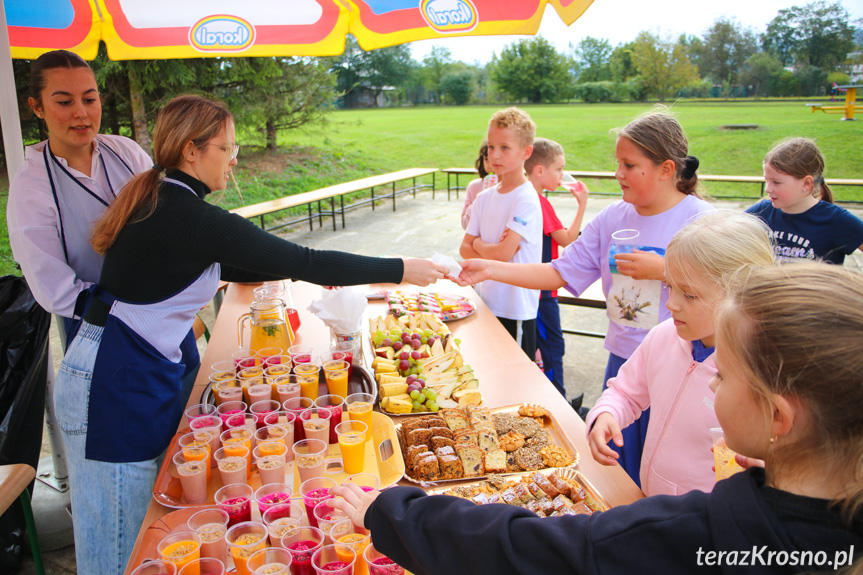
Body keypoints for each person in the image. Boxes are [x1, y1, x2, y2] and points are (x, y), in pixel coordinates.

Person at [53, 94, 447, 575]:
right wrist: (405, 268)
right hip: (110, 382)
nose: (235, 158)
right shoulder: (189, 215)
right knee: (118, 548)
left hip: (124, 372)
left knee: (138, 532)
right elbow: (303, 261)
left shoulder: (166, 198)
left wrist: (313, 274)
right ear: (192, 151)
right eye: (228, 147)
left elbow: (251, 263)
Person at [331, 262, 863, 575]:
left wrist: (396, 514)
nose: (713, 383)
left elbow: (539, 549)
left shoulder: (695, 535)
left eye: (722, 375)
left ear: (778, 417)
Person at [458, 107, 714, 486]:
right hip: (624, 363)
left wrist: (665, 270)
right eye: (618, 164)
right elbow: (558, 271)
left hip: (688, 366)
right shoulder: (613, 217)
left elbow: (735, 292)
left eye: (630, 165)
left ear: (666, 169)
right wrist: (493, 268)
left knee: (670, 471)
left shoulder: (703, 222)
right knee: (622, 470)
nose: (619, 174)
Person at [587, 211, 774, 496]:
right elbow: (625, 392)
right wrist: (606, 413)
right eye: (669, 286)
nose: (671, 303)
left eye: (689, 295)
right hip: (652, 500)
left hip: (706, 521)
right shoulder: (663, 336)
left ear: (741, 294)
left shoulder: (759, 374)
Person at [6, 50, 152, 342]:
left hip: (161, 306)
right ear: (37, 107)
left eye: (89, 99)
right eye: (64, 102)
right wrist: (125, 316)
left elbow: (167, 219)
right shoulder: (32, 187)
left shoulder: (126, 152)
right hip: (98, 328)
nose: (81, 113)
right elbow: (53, 286)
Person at [460, 107, 542, 358]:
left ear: (526, 152)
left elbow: (504, 255)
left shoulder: (526, 198)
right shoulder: (484, 198)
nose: (495, 155)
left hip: (514, 307)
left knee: (514, 379)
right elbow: (464, 248)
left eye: (505, 147)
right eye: (491, 147)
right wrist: (489, 247)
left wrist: (480, 244)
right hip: (486, 302)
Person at [524, 137, 589, 397]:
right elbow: (566, 239)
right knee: (552, 347)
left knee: (542, 347)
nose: (563, 175)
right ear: (540, 170)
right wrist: (582, 203)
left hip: (533, 288)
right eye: (559, 169)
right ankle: (558, 399)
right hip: (542, 291)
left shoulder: (527, 197)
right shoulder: (539, 201)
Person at [746, 137, 863, 264]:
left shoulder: (837, 220)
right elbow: (726, 237)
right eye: (766, 180)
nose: (768, 189)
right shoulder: (760, 211)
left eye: (776, 182)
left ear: (806, 183)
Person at [460, 140, 495, 229]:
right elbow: (465, 224)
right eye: (487, 159)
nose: (491, 164)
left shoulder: (512, 187)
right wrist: (476, 202)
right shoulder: (474, 187)